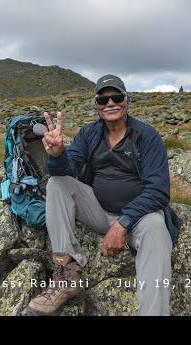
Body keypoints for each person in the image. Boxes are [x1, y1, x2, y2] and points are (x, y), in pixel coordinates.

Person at [26, 74, 180, 316]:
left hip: (140, 217)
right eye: (103, 99)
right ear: (97, 105)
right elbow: (68, 169)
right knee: (57, 183)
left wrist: (123, 224)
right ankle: (66, 274)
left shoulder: (147, 137)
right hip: (98, 209)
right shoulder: (89, 134)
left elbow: (158, 191)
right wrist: (56, 155)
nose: (110, 103)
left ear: (127, 101)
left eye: (116, 97)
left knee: (157, 230)